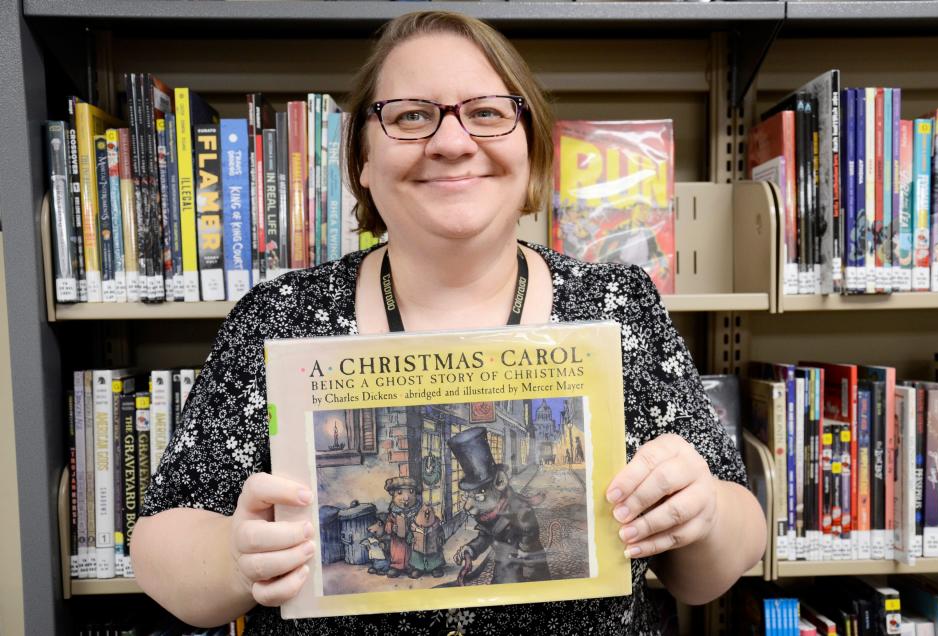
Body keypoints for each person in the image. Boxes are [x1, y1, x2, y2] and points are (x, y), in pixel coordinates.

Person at [130, 10, 766, 635]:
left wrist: (701, 513)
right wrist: (235, 559)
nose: (453, 141)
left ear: (532, 151)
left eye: (487, 112)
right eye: (411, 116)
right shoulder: (278, 318)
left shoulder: (618, 303)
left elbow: (715, 562)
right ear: (361, 162)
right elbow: (164, 542)